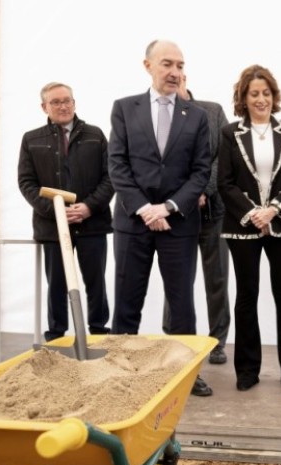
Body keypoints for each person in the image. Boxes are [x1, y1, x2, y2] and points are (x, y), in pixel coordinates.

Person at [107, 39, 213, 396]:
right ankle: (118, 370)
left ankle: (185, 372)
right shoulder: (124, 108)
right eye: (167, 64)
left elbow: (201, 171)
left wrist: (166, 207)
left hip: (178, 224)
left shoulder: (196, 116)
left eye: (180, 65)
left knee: (182, 302)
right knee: (126, 300)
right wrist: (143, 208)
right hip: (132, 222)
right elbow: (117, 164)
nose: (175, 72)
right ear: (147, 65)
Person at [217, 65, 281, 392]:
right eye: (254, 94)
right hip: (244, 226)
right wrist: (254, 213)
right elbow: (224, 183)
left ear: (274, 96)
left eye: (266, 93)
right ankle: (247, 370)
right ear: (243, 97)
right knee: (246, 295)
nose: (261, 99)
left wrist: (273, 210)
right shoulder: (230, 134)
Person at [18, 82, 113, 342]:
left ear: (75, 103)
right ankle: (56, 337)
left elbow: (110, 177)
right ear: (44, 107)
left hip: (92, 224)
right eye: (56, 102)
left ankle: (99, 334)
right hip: (52, 227)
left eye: (67, 100)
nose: (63, 106)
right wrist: (56, 211)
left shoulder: (95, 135)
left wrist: (88, 207)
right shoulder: (31, 139)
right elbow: (26, 183)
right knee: (57, 285)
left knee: (96, 283)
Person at [162, 74, 231, 366]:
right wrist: (182, 197)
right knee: (177, 282)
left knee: (217, 280)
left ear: (184, 78)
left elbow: (226, 155)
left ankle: (216, 342)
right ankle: (175, 338)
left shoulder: (212, 111)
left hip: (213, 213)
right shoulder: (160, 116)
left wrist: (203, 189)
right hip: (177, 215)